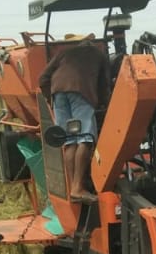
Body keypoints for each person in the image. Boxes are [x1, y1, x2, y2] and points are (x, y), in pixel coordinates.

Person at [38, 33, 110, 204]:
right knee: (85, 138)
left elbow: (43, 78)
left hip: (58, 95)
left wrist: (51, 98)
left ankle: (73, 188)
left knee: (69, 140)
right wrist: (104, 105)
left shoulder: (64, 53)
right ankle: (79, 187)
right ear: (93, 43)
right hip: (81, 93)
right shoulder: (99, 55)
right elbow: (105, 84)